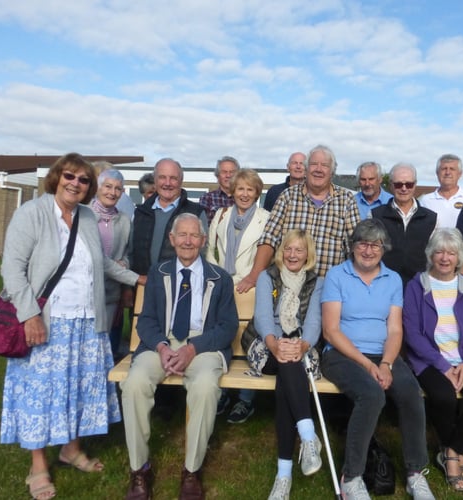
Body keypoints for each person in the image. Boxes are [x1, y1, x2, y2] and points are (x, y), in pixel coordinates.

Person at [0, 153, 130, 500]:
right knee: (41, 393)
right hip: (46, 321)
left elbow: (101, 263)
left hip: (87, 321)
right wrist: (29, 315)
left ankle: (71, 449)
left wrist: (140, 278)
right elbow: (12, 269)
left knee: (78, 388)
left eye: (83, 180)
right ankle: (38, 465)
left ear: (90, 187)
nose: (75, 183)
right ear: (57, 177)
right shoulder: (33, 213)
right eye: (69, 176)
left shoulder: (86, 216)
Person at [121, 213, 238, 500]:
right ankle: (140, 469)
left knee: (205, 387)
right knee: (134, 383)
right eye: (181, 235)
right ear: (172, 240)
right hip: (161, 345)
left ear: (203, 240)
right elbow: (146, 320)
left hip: (202, 345)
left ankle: (192, 469)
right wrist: (161, 346)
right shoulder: (159, 273)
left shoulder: (219, 278)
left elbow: (227, 326)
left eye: (193, 235)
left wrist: (192, 348)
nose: (188, 241)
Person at [320, 219, 436, 500]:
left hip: (383, 353)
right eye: (362, 243)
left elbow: (395, 329)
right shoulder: (337, 276)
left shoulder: (393, 279)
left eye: (375, 245)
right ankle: (353, 477)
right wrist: (368, 364)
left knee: (410, 392)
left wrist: (385, 363)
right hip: (342, 354)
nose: (368, 250)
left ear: (384, 248)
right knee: (372, 395)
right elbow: (331, 331)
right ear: (352, 246)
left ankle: (415, 473)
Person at [402, 228, 463, 493]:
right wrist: (443, 366)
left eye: (451, 253)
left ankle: (451, 450)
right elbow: (412, 333)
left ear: (459, 258)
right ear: (430, 255)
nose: (445, 258)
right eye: (439, 252)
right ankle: (455, 458)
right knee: (442, 397)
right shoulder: (416, 286)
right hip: (429, 360)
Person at [242, 229, 324, 499]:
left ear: (307, 254)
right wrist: (275, 344)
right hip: (266, 344)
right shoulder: (268, 276)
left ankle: (283, 474)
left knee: (288, 375)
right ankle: (308, 436)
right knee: (290, 365)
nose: (292, 254)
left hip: (301, 345)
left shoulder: (317, 282)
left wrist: (301, 345)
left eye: (299, 250)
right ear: (281, 251)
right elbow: (264, 316)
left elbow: (313, 322)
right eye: (288, 249)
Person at [206, 168, 270, 423]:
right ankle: (221, 393)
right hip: (220, 286)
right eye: (240, 189)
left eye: (250, 189)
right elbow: (210, 249)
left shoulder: (266, 218)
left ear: (257, 193)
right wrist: (217, 279)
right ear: (233, 191)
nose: (244, 194)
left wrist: (251, 278)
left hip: (251, 287)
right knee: (220, 337)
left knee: (248, 342)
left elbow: (268, 253)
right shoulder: (221, 215)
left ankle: (245, 399)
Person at [256, 144, 360, 279]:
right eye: (314, 164)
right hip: (288, 284)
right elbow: (269, 238)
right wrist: (255, 275)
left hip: (328, 287)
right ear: (306, 169)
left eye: (324, 165)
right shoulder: (287, 196)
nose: (318, 169)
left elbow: (355, 245)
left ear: (332, 172)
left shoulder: (346, 200)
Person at [90, 168, 147, 356]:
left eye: (118, 189)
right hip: (87, 293)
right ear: (97, 188)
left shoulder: (124, 220)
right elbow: (96, 258)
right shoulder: (84, 216)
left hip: (111, 294)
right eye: (108, 187)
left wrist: (125, 262)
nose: (112, 193)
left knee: (106, 350)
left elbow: (129, 253)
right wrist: (135, 278)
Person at [129, 158, 207, 275]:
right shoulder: (140, 213)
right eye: (162, 177)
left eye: (173, 178)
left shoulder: (196, 213)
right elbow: (131, 253)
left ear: (181, 181)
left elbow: (202, 254)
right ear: (155, 180)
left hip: (180, 286)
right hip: (144, 286)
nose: (167, 183)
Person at [371, 163, 436, 289]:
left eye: (409, 184)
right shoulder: (375, 215)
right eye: (398, 184)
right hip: (383, 286)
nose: (404, 188)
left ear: (415, 185)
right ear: (390, 185)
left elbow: (435, 256)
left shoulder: (431, 219)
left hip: (420, 288)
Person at [419, 154, 463, 229]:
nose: (447, 172)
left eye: (452, 169)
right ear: (437, 173)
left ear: (460, 174)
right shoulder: (425, 201)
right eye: (444, 169)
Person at [199, 156, 239, 224]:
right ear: (217, 176)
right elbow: (202, 227)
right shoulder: (207, 198)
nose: (228, 175)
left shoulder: (244, 198)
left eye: (232, 172)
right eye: (224, 172)